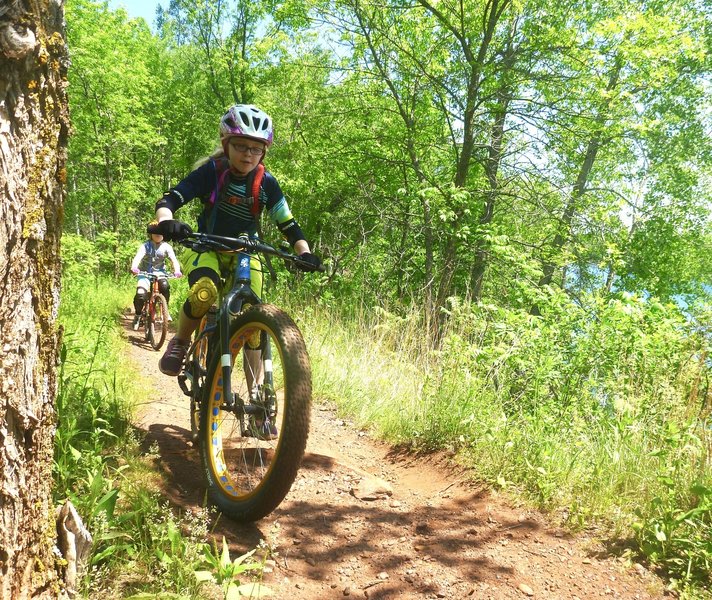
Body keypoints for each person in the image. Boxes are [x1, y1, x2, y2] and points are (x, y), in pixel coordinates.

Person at [152, 104, 321, 377]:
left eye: (256, 149)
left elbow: (288, 224)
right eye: (241, 146)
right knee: (204, 292)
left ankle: (257, 393)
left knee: (254, 319)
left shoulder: (267, 183)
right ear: (226, 144)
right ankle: (181, 341)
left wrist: (304, 253)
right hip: (207, 246)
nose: (248, 154)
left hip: (246, 252)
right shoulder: (211, 172)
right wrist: (166, 220)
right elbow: (170, 199)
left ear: (264, 151)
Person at [130, 221, 183, 330]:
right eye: (155, 233)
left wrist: (177, 270)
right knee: (140, 294)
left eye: (160, 233)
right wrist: (134, 267)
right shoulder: (145, 246)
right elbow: (138, 257)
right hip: (144, 273)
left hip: (160, 273)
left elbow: (173, 259)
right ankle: (138, 314)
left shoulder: (167, 247)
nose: (158, 235)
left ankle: (165, 311)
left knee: (165, 286)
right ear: (151, 234)